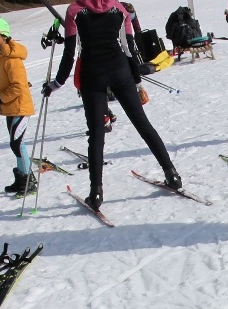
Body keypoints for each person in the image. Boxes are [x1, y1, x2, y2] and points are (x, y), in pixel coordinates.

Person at [42, 0, 180, 211]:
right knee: (142, 123)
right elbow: (129, 48)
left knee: (97, 133)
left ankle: (96, 193)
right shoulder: (119, 8)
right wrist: (138, 83)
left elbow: (70, 53)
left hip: (92, 75)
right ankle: (172, 173)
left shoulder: (75, 10)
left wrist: (56, 84)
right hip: (120, 71)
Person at [0, 18, 36, 196]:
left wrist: (0, 99)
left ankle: (29, 181)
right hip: (11, 107)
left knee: (18, 144)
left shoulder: (12, 59)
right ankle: (22, 177)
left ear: (4, 36)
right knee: (15, 145)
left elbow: (19, 86)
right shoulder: (1, 55)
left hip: (20, 107)